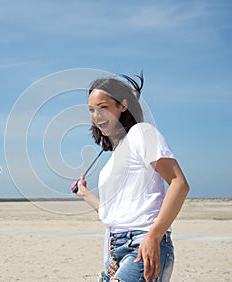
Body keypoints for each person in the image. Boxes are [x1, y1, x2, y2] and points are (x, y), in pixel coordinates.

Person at [71, 73, 190, 282]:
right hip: (115, 251)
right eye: (91, 110)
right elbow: (117, 212)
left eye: (103, 107)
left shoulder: (142, 133)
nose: (96, 115)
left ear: (123, 105)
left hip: (143, 245)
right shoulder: (116, 153)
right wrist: (85, 194)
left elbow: (179, 183)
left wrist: (154, 236)